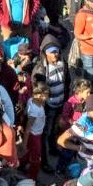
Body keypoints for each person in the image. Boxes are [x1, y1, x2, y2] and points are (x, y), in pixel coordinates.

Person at [32, 34, 71, 172]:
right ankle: (44, 161)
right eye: (51, 52)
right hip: (47, 107)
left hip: (59, 104)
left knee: (53, 129)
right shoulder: (41, 69)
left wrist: (65, 101)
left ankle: (53, 148)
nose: (55, 54)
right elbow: (38, 92)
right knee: (44, 132)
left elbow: (67, 82)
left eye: (57, 51)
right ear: (45, 53)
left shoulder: (63, 63)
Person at [57, 94, 93, 171]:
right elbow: (60, 140)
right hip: (87, 162)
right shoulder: (82, 125)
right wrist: (78, 148)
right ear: (88, 110)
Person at [21, 83, 49, 181]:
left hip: (36, 134)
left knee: (28, 152)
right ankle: (32, 178)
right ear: (40, 95)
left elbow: (25, 112)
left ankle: (21, 165)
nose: (48, 97)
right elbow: (28, 128)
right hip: (35, 136)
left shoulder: (31, 101)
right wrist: (23, 144)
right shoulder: (35, 111)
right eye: (47, 95)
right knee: (36, 159)